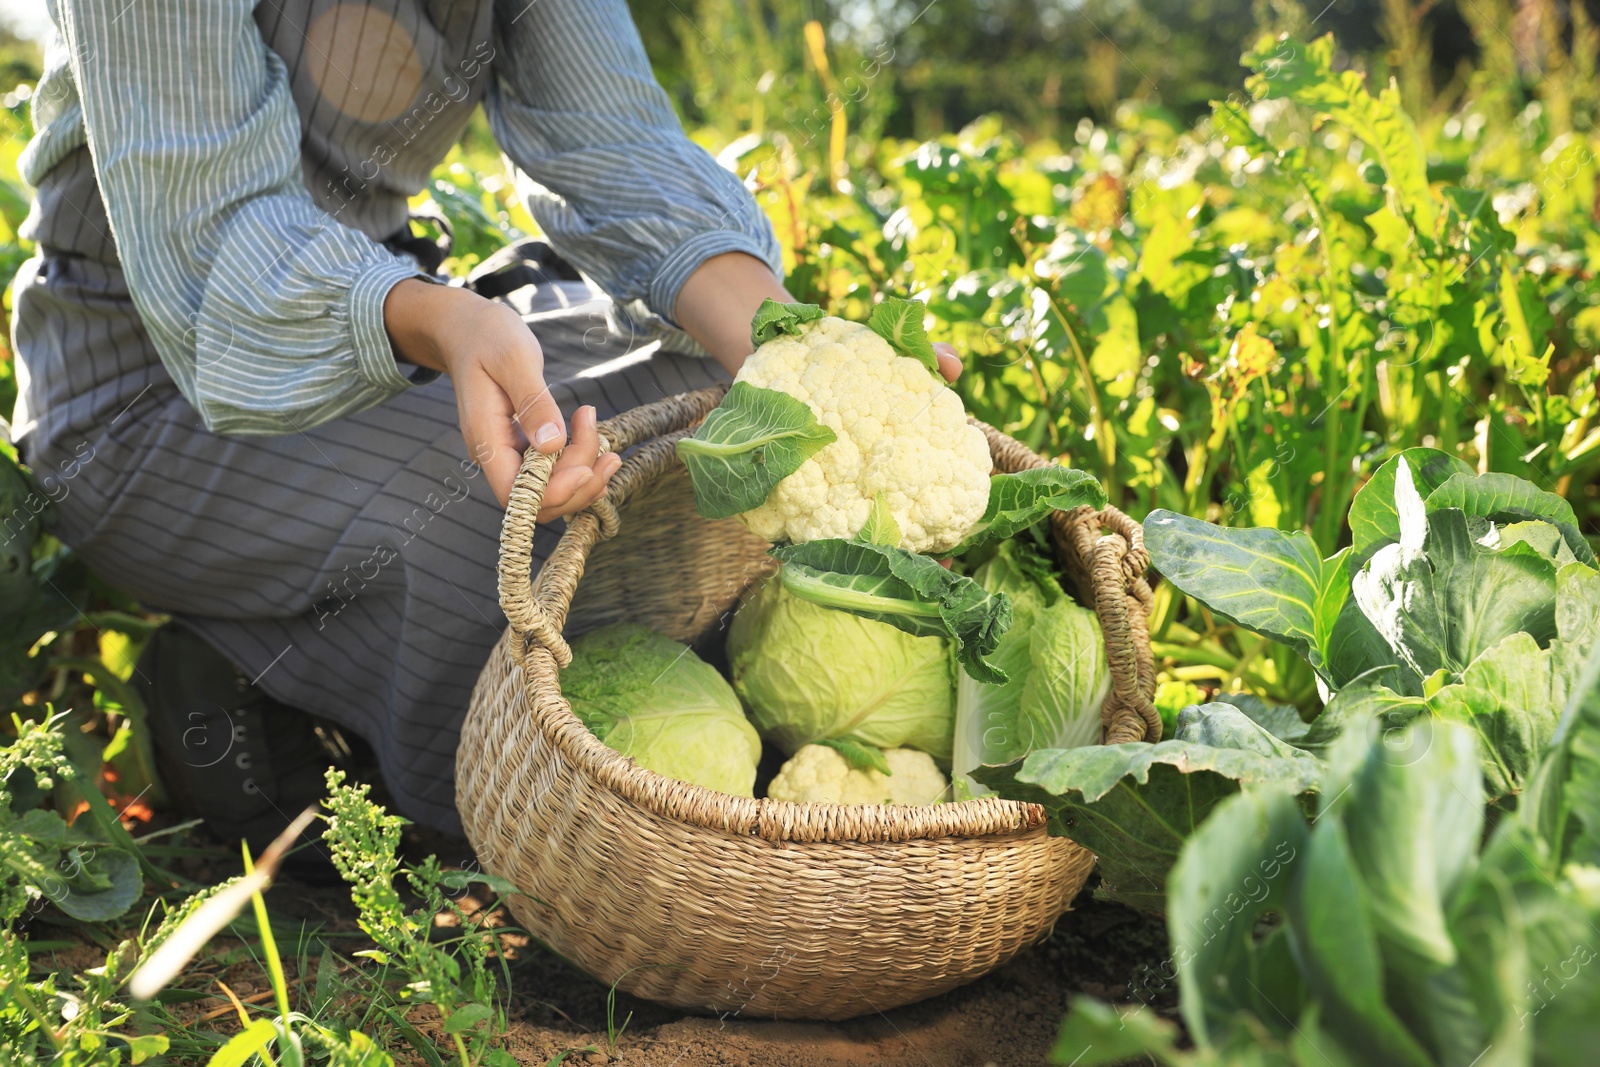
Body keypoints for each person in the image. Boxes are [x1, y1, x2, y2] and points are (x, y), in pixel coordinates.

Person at [9, 0, 961, 855]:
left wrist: (796, 358)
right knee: (498, 520)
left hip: (400, 322)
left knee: (708, 419)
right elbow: (212, 238)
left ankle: (319, 656)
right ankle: (264, 681)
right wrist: (444, 323)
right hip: (147, 388)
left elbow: (618, 145)